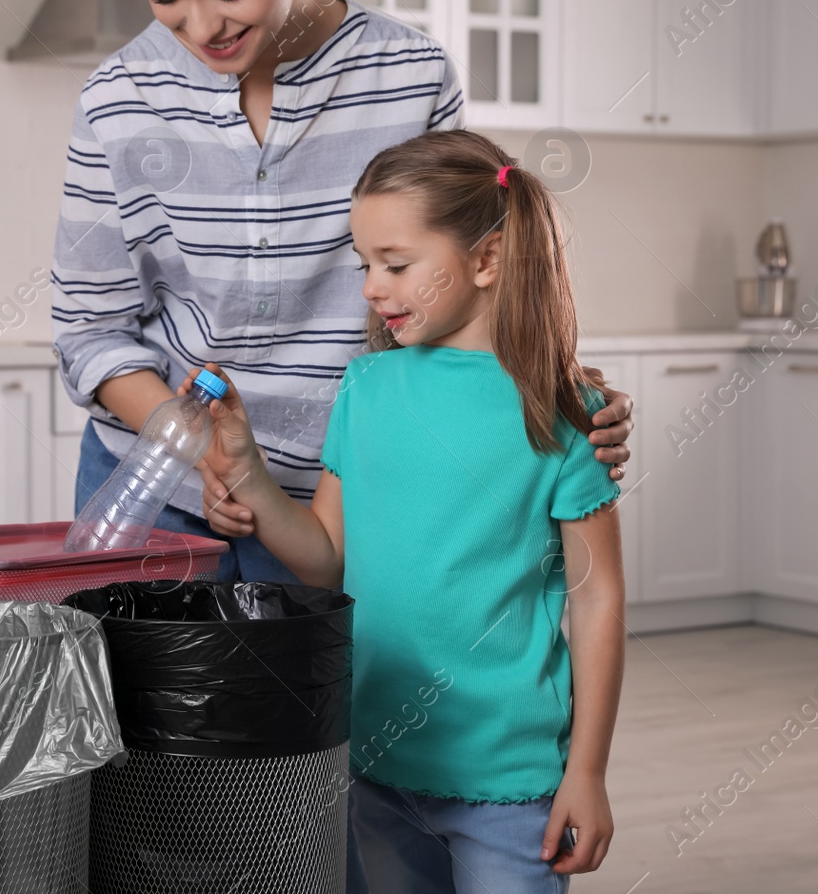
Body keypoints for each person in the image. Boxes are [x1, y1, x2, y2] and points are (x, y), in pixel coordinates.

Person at [50, 0, 636, 590]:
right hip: (158, 495)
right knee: (139, 710)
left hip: (353, 496)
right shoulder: (116, 98)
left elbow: (462, 288)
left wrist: (561, 388)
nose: (202, 28)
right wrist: (206, 450)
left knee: (317, 709)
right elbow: (91, 328)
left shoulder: (411, 76)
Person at [179, 128, 625, 891]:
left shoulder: (562, 414)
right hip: (376, 758)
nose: (371, 288)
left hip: (508, 780)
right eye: (365, 266)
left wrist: (586, 770)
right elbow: (325, 553)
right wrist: (249, 475)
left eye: (395, 264)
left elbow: (597, 598)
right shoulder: (367, 388)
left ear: (486, 260)